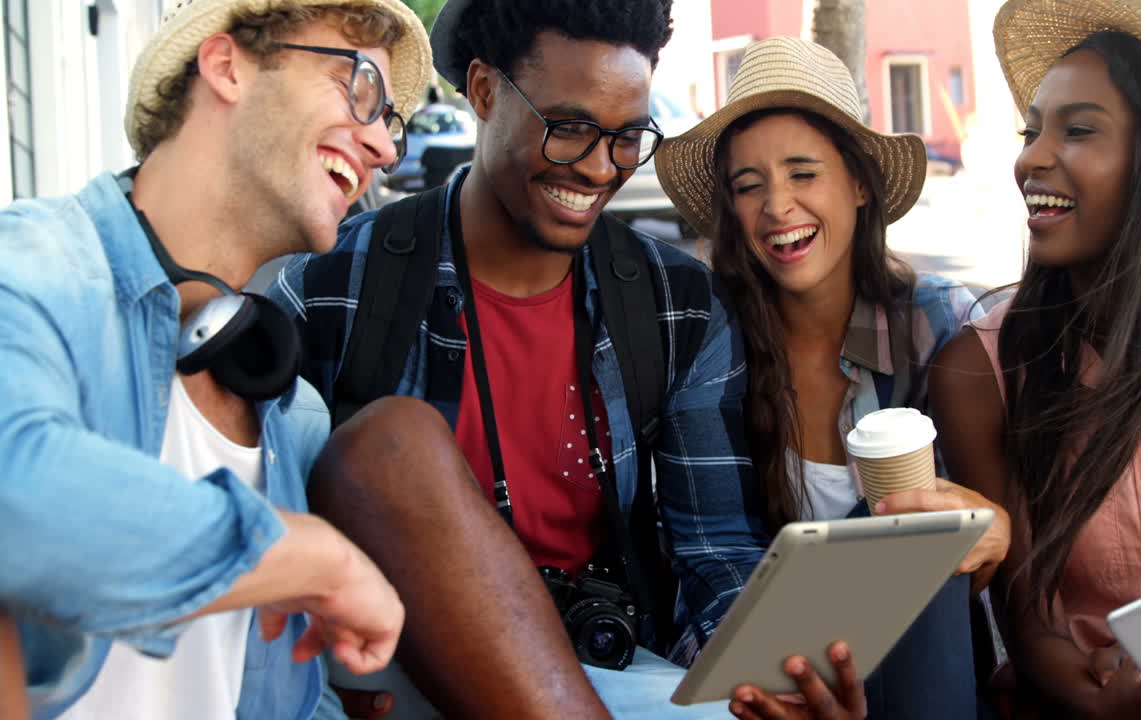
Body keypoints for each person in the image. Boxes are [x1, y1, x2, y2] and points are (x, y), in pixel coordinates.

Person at [266, 1, 882, 718]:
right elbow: (260, 543)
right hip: (396, 672)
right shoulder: (334, 287)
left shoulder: (672, 304)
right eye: (569, 129)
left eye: (627, 138)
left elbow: (714, 549)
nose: (598, 167)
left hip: (610, 671)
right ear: (486, 91)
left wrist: (765, 678)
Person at [0, 0, 433, 717]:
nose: (384, 147)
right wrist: (304, 554)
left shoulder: (290, 413)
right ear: (227, 66)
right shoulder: (33, 264)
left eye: (390, 121)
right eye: (357, 86)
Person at [930, 0, 1141, 717]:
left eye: (1078, 130)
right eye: (1033, 130)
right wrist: (1122, 705)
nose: (1030, 157)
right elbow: (1030, 631)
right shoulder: (979, 371)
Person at [654, 37, 1012, 720]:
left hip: (917, 655)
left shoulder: (939, 323)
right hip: (760, 664)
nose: (777, 206)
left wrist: (995, 530)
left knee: (904, 531)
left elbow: (982, 546)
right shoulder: (711, 340)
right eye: (748, 185)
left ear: (858, 183)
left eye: (802, 173)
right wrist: (784, 682)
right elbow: (716, 547)